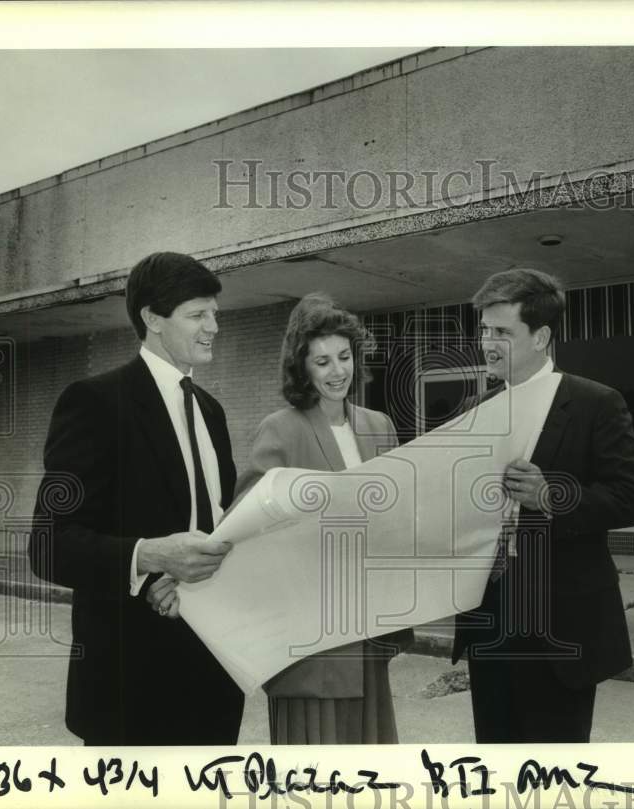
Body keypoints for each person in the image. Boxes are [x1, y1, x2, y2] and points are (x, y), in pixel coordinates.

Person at [28, 251, 244, 745]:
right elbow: (49, 544)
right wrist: (149, 557)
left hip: (213, 678)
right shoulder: (95, 402)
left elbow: (214, 528)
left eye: (215, 313)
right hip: (130, 688)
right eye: (197, 315)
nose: (213, 326)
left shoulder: (212, 412)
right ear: (152, 318)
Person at [452, 268, 634, 743]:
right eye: (484, 330)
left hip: (561, 630)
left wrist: (551, 495)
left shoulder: (595, 403)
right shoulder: (474, 411)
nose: (487, 342)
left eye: (502, 332)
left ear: (540, 336)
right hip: (490, 622)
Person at [233, 293, 409, 744]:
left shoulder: (379, 425)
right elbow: (249, 523)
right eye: (323, 361)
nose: (338, 372)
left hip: (368, 624)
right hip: (310, 631)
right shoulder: (281, 428)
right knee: (314, 758)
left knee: (368, 758)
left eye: (345, 357)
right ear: (302, 368)